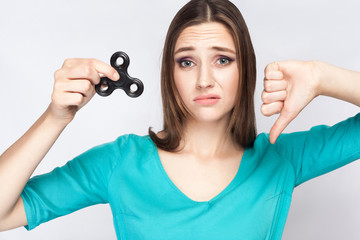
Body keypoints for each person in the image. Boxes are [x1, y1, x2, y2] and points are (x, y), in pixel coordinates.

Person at [0, 0, 359, 239]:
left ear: (245, 68)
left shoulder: (281, 159)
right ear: (169, 74)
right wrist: (55, 116)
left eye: (223, 60)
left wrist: (321, 76)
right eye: (187, 62)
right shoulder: (120, 163)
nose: (204, 79)